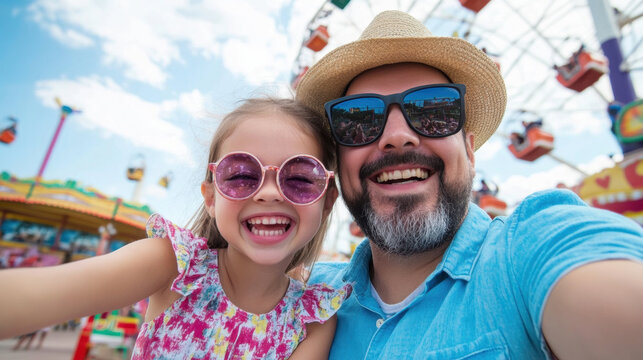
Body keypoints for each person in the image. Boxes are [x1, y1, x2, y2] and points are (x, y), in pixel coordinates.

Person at [295, 10, 643, 359]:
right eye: (358, 119)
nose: (397, 137)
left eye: (435, 111)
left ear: (470, 151)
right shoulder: (301, 297)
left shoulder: (528, 252)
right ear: (337, 164)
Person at [0, 98, 351, 359]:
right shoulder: (172, 264)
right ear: (211, 197)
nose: (270, 192)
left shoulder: (314, 321)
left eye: (302, 177)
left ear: (328, 199)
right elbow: (30, 297)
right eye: (242, 175)